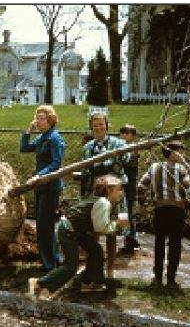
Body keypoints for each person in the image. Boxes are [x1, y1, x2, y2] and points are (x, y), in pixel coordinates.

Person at [28, 175, 128, 298]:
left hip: (75, 229)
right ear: (109, 191)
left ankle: (89, 281)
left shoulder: (98, 199)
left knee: (95, 250)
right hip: (69, 230)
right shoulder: (103, 203)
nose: (121, 192)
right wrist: (117, 224)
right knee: (70, 266)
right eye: (119, 189)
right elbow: (100, 228)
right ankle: (39, 283)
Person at [138, 141, 190, 289]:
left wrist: (143, 205)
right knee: (175, 244)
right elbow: (189, 190)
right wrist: (182, 199)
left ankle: (157, 277)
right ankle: (171, 279)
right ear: (173, 152)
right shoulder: (181, 169)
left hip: (160, 209)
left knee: (159, 243)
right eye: (181, 151)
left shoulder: (154, 167)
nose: (183, 155)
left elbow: (141, 186)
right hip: (176, 210)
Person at [82, 111, 130, 279]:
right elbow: (86, 172)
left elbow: (127, 159)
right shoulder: (88, 147)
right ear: (91, 128)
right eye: (95, 125)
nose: (98, 128)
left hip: (114, 195)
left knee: (112, 231)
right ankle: (93, 266)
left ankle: (110, 269)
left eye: (101, 124)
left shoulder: (118, 143)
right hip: (97, 196)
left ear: (107, 125)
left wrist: (118, 154)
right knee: (94, 231)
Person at [20, 105, 65, 271]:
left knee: (45, 225)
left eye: (41, 119)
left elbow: (56, 163)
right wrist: (28, 131)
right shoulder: (43, 137)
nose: (38, 121)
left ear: (50, 120)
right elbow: (24, 148)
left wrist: (39, 175)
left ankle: (49, 264)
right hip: (39, 185)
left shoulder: (54, 138)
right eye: (37, 118)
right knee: (43, 224)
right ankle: (53, 259)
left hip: (50, 186)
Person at [119, 123, 141, 253]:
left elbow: (130, 163)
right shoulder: (119, 147)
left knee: (129, 209)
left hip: (130, 183)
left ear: (133, 136)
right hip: (120, 183)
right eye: (122, 133)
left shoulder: (133, 148)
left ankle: (131, 237)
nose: (124, 135)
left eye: (127, 133)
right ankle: (127, 236)